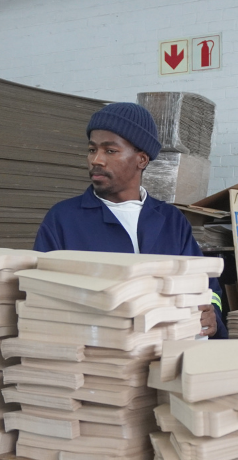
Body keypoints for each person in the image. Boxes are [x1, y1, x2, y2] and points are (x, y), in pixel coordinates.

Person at [34, 102, 227, 338]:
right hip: (98, 355)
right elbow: (41, 295)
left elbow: (205, 285)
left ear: (142, 160)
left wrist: (211, 313)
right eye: (92, 149)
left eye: (110, 151)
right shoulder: (64, 219)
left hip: (165, 354)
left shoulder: (171, 221)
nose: (97, 160)